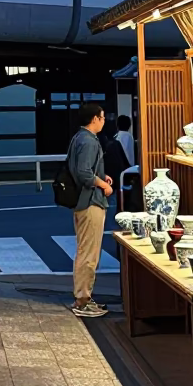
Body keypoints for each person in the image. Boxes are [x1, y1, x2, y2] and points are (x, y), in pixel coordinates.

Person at [66, 103, 113, 318]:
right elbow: (84, 173)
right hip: (91, 201)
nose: (103, 121)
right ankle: (82, 300)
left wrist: (101, 177)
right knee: (89, 253)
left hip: (82, 201)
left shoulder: (79, 137)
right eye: (102, 117)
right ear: (95, 119)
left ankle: (83, 297)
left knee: (85, 250)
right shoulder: (89, 141)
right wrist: (103, 185)